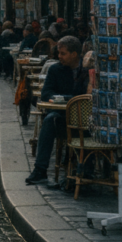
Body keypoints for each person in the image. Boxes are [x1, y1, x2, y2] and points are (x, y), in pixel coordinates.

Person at [25, 36, 88, 185]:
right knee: (48, 121)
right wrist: (61, 98)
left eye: (63, 53)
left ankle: (85, 170)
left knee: (91, 127)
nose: (59, 57)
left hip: (84, 119)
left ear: (74, 54)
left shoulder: (86, 71)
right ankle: (40, 170)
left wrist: (70, 98)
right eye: (59, 53)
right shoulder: (55, 69)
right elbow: (46, 93)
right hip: (61, 117)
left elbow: (88, 94)